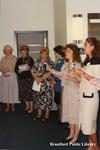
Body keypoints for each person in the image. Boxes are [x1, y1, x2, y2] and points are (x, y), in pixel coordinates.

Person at [50, 43, 81, 144]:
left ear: (74, 53)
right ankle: (71, 134)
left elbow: (79, 81)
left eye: (68, 51)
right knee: (69, 114)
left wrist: (69, 77)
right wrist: (52, 71)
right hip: (66, 90)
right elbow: (62, 75)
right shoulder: (65, 64)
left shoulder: (77, 64)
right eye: (66, 51)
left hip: (75, 92)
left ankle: (75, 137)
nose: (66, 53)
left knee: (75, 115)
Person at [75, 37, 100, 150]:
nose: (83, 47)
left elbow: (98, 82)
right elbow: (83, 80)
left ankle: (97, 147)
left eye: (86, 45)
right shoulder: (87, 60)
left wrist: (83, 74)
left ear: (92, 47)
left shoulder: (97, 61)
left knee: (88, 125)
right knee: (89, 125)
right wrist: (77, 74)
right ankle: (91, 146)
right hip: (84, 96)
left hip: (91, 97)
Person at [31, 47, 55, 122]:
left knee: (47, 99)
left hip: (46, 84)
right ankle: (39, 114)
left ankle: (46, 115)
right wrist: (36, 78)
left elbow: (50, 72)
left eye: (46, 54)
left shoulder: (50, 63)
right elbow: (32, 71)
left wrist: (41, 79)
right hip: (38, 84)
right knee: (38, 99)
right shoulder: (37, 62)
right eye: (43, 54)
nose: (44, 55)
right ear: (40, 54)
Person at [15, 45, 34, 113]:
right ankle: (27, 107)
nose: (23, 53)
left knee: (30, 94)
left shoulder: (30, 59)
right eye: (22, 52)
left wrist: (29, 68)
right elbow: (15, 69)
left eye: (25, 52)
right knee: (24, 93)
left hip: (29, 79)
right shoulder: (19, 59)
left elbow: (33, 68)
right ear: (20, 52)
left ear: (27, 52)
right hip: (21, 79)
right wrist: (18, 71)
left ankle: (31, 108)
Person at [0, 45, 19, 112]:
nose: (7, 51)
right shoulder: (2, 58)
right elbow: (0, 67)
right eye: (6, 50)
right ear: (4, 51)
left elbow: (14, 67)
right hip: (4, 77)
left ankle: (12, 106)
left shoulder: (14, 58)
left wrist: (6, 69)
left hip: (11, 77)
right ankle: (7, 106)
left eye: (9, 50)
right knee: (6, 91)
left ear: (11, 51)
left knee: (12, 91)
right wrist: (3, 70)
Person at [53, 45, 64, 123]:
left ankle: (62, 118)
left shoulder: (64, 62)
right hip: (56, 85)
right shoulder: (59, 61)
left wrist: (56, 77)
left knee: (61, 103)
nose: (55, 54)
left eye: (55, 52)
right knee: (57, 102)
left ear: (59, 52)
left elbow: (63, 74)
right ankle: (60, 117)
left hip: (61, 85)